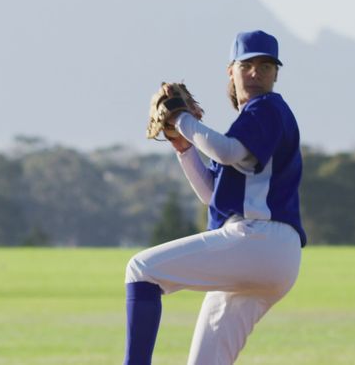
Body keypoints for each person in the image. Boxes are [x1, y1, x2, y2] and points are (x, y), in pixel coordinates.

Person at [124, 30, 306, 365]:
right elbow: (212, 194)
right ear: (231, 70)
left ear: (275, 75)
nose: (256, 73)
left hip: (258, 240)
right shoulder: (250, 121)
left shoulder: (267, 107)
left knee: (141, 271)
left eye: (266, 67)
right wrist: (184, 147)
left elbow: (226, 151)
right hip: (269, 255)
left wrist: (181, 119)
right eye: (248, 64)